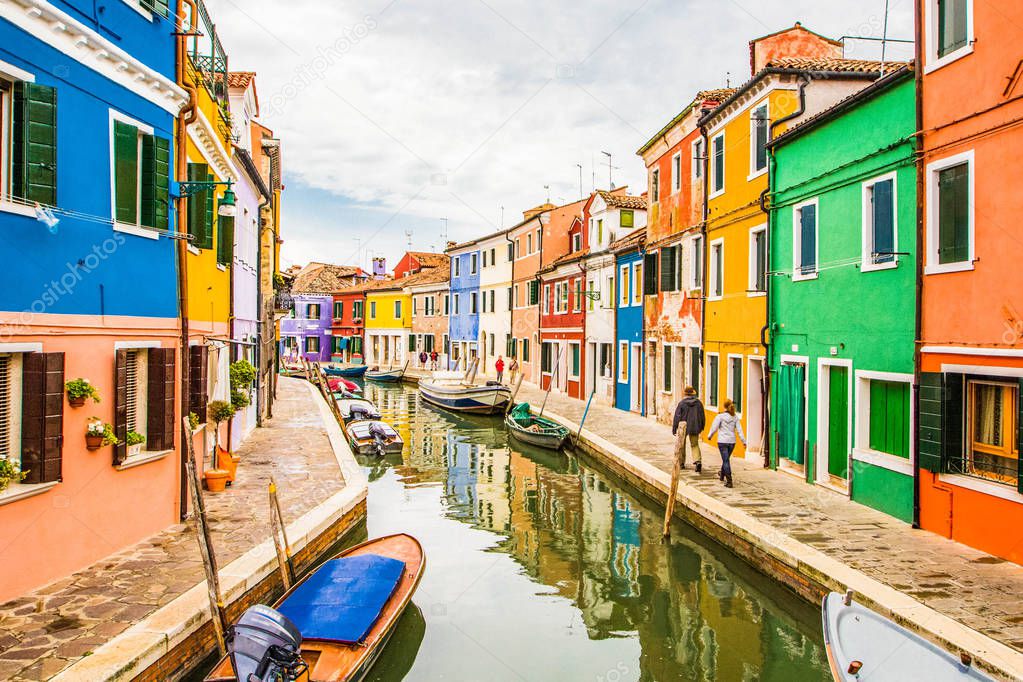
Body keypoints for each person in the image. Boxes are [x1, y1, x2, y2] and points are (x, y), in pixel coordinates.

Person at [708, 399, 745, 488]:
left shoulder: (720, 416)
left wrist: (710, 436)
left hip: (722, 441)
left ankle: (729, 481)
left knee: (725, 460)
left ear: (724, 406)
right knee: (726, 459)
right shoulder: (735, 417)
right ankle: (721, 475)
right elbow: (740, 430)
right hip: (732, 442)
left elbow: (714, 427)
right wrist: (744, 441)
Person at [672, 386, 706, 473]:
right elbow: (702, 416)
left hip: (683, 427)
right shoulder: (698, 403)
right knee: (694, 444)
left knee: (682, 445)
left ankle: (682, 463)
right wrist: (702, 426)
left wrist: (674, 428)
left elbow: (677, 416)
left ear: (685, 394)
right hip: (695, 426)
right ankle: (698, 461)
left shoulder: (682, 403)